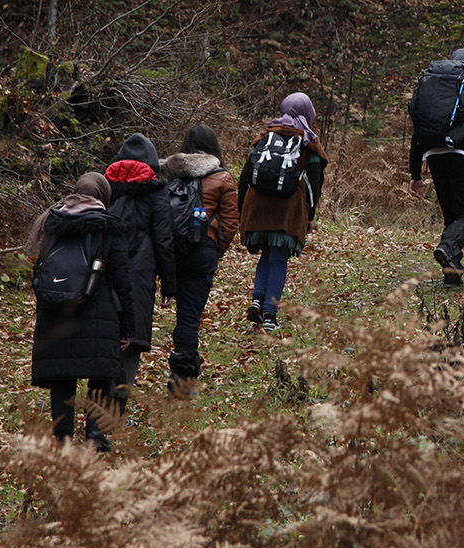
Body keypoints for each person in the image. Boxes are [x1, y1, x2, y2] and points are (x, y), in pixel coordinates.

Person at [26, 171, 135, 450]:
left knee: (62, 376)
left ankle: (62, 437)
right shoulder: (109, 226)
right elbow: (123, 279)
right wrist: (128, 324)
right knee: (100, 373)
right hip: (97, 310)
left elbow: (35, 260)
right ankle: (95, 434)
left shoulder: (51, 220)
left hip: (55, 308)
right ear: (103, 195)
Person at [237, 93, 328, 332]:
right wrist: (310, 216)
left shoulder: (265, 136)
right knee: (278, 258)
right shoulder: (309, 141)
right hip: (288, 210)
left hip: (257, 208)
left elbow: (245, 177)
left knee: (266, 254)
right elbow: (314, 184)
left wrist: (241, 212)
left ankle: (257, 298)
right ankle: (269, 314)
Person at [408, 47, 464, 286]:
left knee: (452, 214)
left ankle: (452, 271)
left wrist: (415, 173)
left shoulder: (433, 89)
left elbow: (418, 131)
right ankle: (447, 247)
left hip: (433, 154)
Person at [161, 124, 239, 388]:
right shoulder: (222, 177)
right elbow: (229, 224)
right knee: (189, 314)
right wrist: (214, 251)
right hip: (201, 250)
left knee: (182, 312)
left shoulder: (168, 172)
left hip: (171, 251)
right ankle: (182, 377)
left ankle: (186, 370)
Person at [104, 134, 175, 422]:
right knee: (132, 342)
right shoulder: (156, 192)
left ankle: (98, 408)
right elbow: (165, 241)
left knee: (107, 335)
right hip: (141, 273)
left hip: (107, 270)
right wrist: (170, 284)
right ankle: (116, 412)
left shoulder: (106, 187)